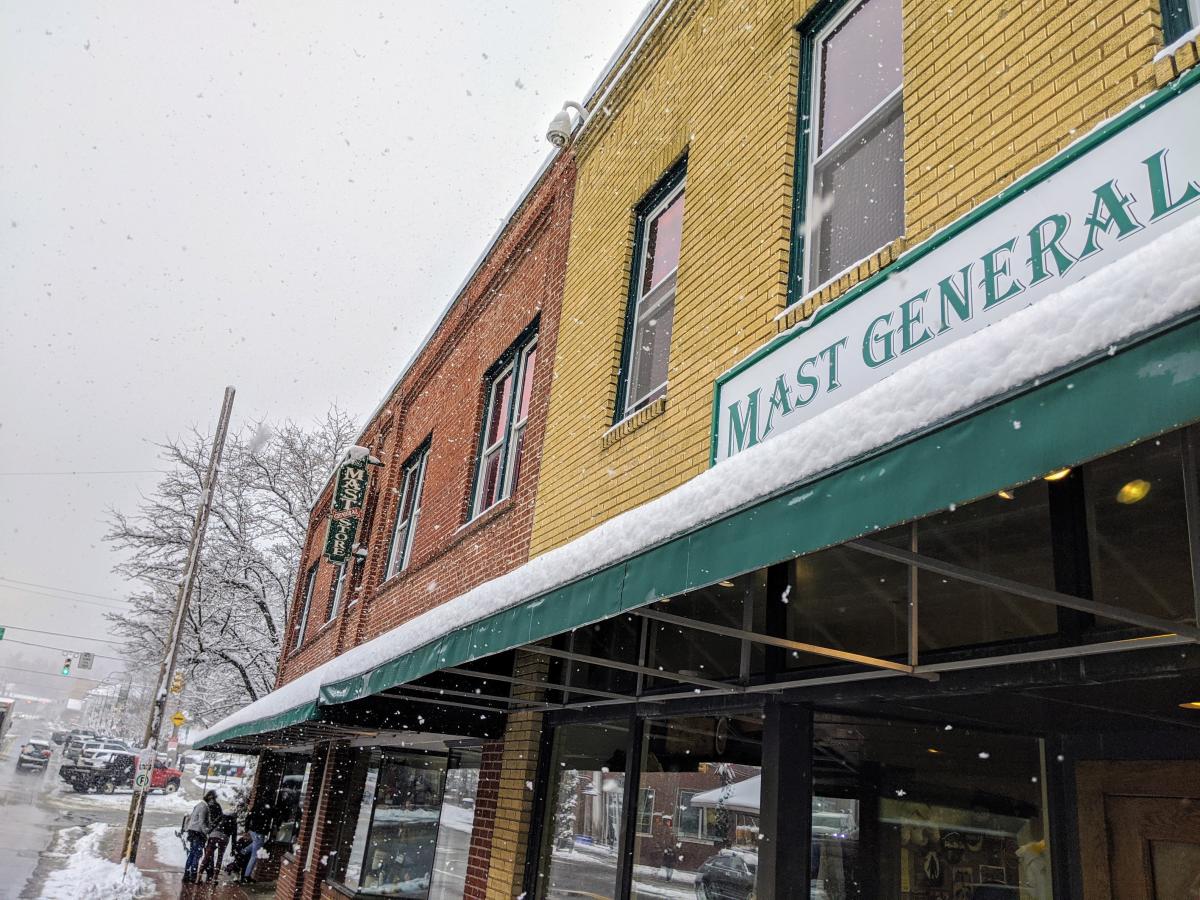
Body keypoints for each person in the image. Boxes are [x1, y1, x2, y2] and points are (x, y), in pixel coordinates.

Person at [183, 790, 216, 884]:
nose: (213, 803)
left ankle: (187, 874)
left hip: (192, 832)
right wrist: (207, 832)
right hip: (198, 833)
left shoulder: (199, 805)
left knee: (192, 853)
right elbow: (202, 822)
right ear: (210, 799)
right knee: (196, 854)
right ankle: (192, 875)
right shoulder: (204, 807)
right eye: (213, 800)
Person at [200, 796, 236, 883]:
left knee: (207, 856)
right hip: (224, 838)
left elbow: (213, 825)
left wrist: (208, 833)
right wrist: (233, 849)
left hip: (214, 836)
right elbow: (234, 836)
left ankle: (199, 876)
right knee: (219, 858)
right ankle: (215, 878)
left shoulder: (221, 816)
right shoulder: (234, 821)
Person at [243, 797, 274, 883]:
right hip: (260, 833)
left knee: (254, 846)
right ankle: (247, 876)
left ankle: (240, 853)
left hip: (253, 831)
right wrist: (268, 830)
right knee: (254, 856)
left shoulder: (257, 806)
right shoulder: (268, 808)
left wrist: (247, 828)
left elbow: (248, 817)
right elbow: (268, 821)